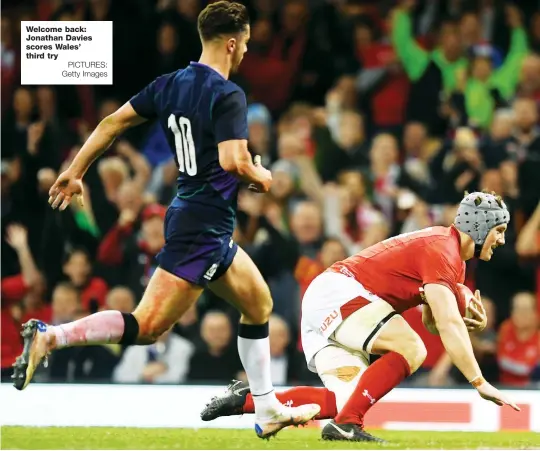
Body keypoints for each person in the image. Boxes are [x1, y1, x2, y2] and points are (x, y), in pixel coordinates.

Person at [11, 1, 320, 439]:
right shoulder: (229, 94)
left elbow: (111, 123)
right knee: (147, 327)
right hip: (203, 224)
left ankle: (267, 408)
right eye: (247, 44)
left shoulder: (169, 84)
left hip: (193, 216)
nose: (247, 52)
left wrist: (76, 170)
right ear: (232, 43)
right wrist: (263, 176)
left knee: (259, 304)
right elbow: (234, 161)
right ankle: (51, 337)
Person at [200, 191, 521, 442]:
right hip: (342, 294)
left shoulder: (449, 256)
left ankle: (246, 400)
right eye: (500, 229)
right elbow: (445, 324)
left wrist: (462, 315)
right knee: (413, 349)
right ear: (480, 225)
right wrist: (479, 382)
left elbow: (432, 321)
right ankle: (348, 426)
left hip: (331, 299)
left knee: (348, 399)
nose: (502, 239)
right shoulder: (443, 250)